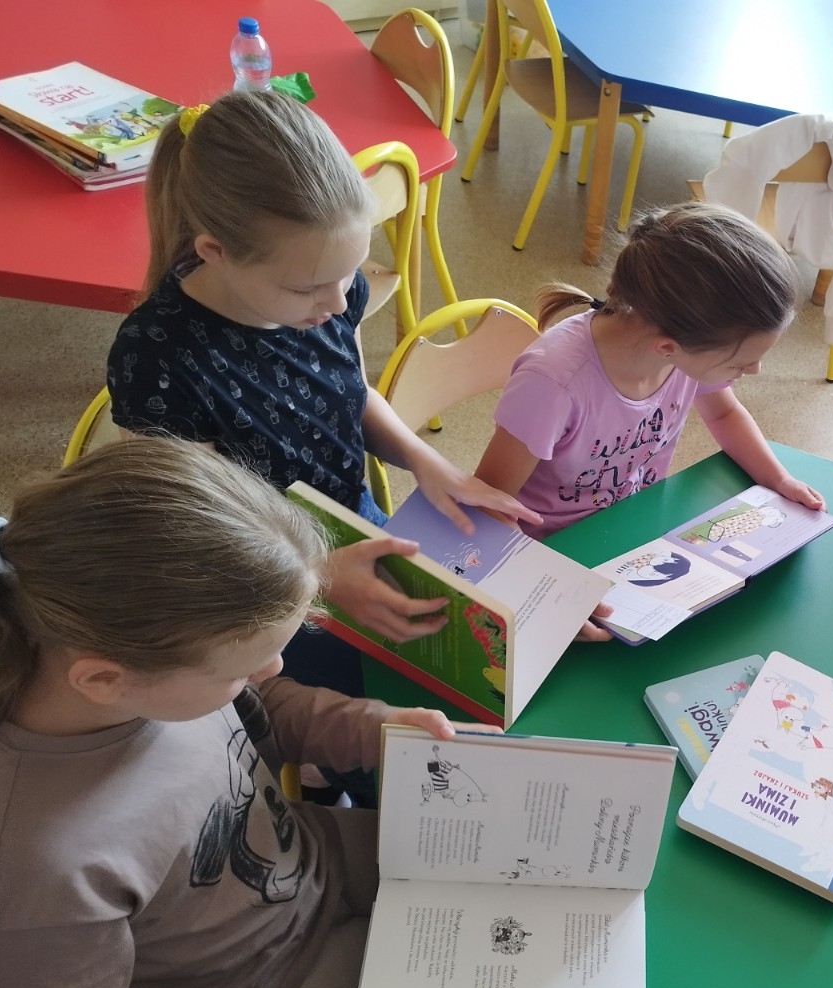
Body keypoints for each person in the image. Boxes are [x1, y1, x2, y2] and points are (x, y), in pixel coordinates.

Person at [0, 439, 468, 988]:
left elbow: (266, 703)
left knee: (531, 897)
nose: (270, 668)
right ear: (104, 679)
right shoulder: (31, 861)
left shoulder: (153, 673)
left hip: (320, 863)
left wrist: (372, 727)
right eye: (242, 667)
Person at [104, 89, 533, 711]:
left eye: (349, 273)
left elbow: (349, 390)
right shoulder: (158, 357)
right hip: (263, 592)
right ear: (214, 252)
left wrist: (425, 460)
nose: (337, 303)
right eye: (308, 288)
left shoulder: (327, 291)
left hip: (352, 524)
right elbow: (198, 535)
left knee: (460, 671)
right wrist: (319, 577)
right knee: (357, 718)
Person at [472, 202, 826, 550]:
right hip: (551, 546)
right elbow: (489, 502)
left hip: (633, 524)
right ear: (668, 347)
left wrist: (779, 479)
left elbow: (724, 414)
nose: (754, 370)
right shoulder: (552, 384)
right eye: (738, 364)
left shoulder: (681, 349)